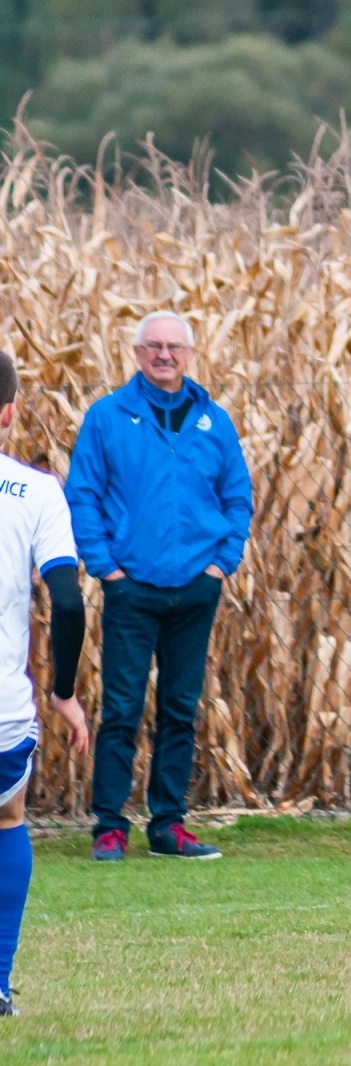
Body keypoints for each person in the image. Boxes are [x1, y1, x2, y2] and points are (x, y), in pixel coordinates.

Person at [65, 311, 253, 861]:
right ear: (137, 352)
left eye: (174, 347)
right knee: (122, 708)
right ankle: (109, 826)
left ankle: (168, 825)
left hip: (196, 589)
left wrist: (222, 564)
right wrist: (108, 570)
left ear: (190, 355)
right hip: (132, 591)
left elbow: (237, 497)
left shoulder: (213, 421)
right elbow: (83, 496)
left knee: (180, 708)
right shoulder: (107, 418)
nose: (164, 355)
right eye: (154, 346)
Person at [0, 352, 90, 1016]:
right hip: (4, 711)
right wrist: (62, 692)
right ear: (8, 412)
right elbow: (68, 598)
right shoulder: (36, 493)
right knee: (7, 820)